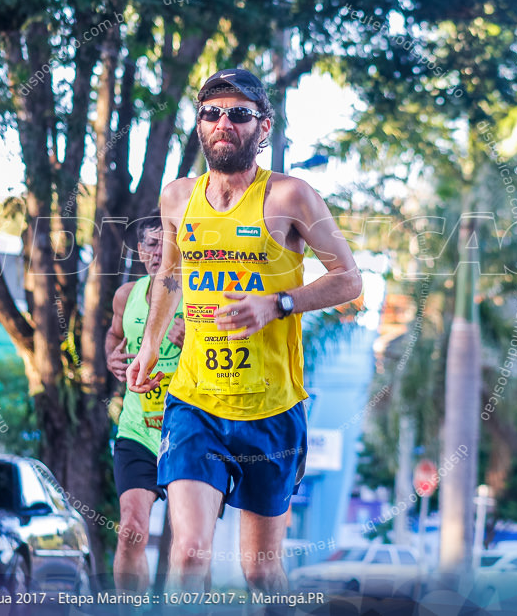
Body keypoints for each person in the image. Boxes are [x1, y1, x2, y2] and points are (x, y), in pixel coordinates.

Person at [126, 68, 362, 593]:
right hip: (195, 402)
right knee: (188, 555)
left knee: (259, 571)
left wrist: (279, 303)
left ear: (264, 126)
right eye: (211, 113)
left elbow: (349, 279)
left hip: (271, 409)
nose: (223, 123)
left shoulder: (290, 196)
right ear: (198, 125)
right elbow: (170, 274)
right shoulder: (177, 197)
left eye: (238, 113)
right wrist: (148, 347)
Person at [106, 210, 185, 593]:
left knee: (189, 548)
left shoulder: (199, 295)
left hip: (190, 428)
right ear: (140, 250)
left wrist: (199, 341)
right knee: (132, 531)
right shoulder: (127, 295)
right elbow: (113, 336)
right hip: (138, 428)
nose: (158, 252)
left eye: (166, 244)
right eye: (151, 245)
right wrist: (112, 358)